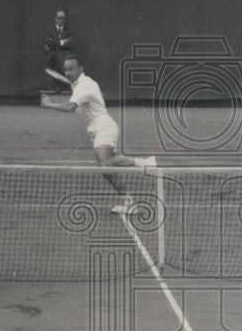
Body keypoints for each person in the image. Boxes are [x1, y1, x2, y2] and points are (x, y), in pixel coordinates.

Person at [41, 56, 156, 214]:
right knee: (106, 170)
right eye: (66, 69)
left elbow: (69, 107)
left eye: (71, 69)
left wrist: (49, 104)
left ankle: (146, 163)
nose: (67, 73)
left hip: (103, 127)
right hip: (98, 129)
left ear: (80, 69)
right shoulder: (84, 83)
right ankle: (129, 202)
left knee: (106, 163)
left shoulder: (84, 85)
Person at [44, 10, 75, 93]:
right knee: (52, 59)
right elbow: (49, 43)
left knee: (64, 60)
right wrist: (62, 42)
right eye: (59, 18)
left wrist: (55, 42)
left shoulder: (69, 30)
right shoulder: (50, 30)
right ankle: (52, 89)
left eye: (63, 18)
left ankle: (64, 89)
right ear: (55, 19)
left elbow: (70, 43)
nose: (61, 20)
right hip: (52, 54)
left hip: (65, 54)